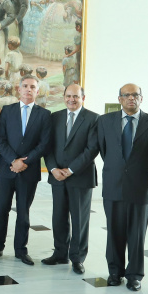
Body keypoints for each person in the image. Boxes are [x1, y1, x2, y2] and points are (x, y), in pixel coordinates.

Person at [96, 83, 148, 291]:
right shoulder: (105, 121)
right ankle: (114, 272)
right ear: (119, 99)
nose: (131, 98)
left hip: (140, 187)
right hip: (113, 184)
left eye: (135, 95)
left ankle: (134, 275)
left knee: (137, 233)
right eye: (126, 95)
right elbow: (105, 151)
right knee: (114, 232)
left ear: (142, 98)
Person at [0, 75, 51, 264]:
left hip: (29, 171)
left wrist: (25, 161)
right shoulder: (7, 111)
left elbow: (44, 144)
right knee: (1, 210)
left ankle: (21, 250)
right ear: (19, 89)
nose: (28, 89)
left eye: (32, 87)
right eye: (25, 86)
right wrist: (14, 160)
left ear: (37, 91)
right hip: (6, 169)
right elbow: (0, 139)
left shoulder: (44, 115)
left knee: (23, 212)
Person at [42, 84, 100, 274]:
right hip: (57, 176)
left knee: (79, 219)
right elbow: (47, 146)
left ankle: (77, 258)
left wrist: (71, 169)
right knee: (58, 217)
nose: (71, 100)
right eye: (68, 96)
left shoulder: (93, 118)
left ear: (83, 97)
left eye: (76, 96)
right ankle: (60, 253)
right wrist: (52, 169)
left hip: (80, 177)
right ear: (63, 97)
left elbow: (91, 149)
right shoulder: (55, 117)